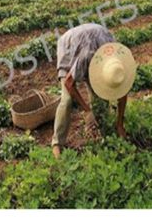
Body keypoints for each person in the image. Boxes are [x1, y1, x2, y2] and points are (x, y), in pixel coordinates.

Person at [52, 23, 137, 159]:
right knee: (67, 100)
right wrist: (87, 110)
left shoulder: (117, 63)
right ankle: (57, 143)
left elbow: (122, 94)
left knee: (100, 93)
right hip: (69, 46)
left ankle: (99, 127)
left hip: (95, 39)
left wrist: (120, 124)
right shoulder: (87, 57)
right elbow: (69, 83)